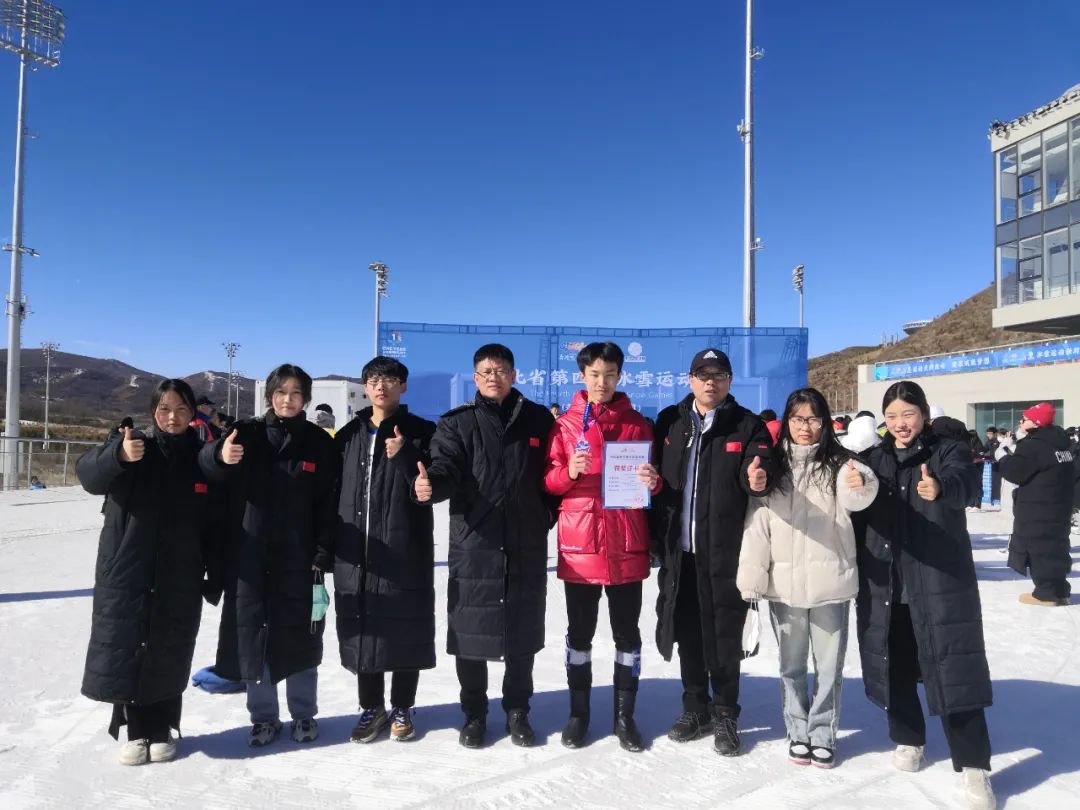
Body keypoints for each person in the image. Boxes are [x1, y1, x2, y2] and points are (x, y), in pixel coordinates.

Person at [853, 380, 995, 810]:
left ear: (924, 416)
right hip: (887, 585)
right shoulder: (874, 459)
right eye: (892, 416)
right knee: (893, 663)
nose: (900, 424)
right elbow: (853, 503)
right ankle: (908, 737)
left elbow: (967, 484)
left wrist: (941, 491)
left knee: (953, 667)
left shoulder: (947, 451)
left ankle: (974, 769)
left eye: (908, 415)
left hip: (938, 582)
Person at [414, 344, 556, 748]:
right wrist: (431, 486)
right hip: (475, 543)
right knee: (471, 635)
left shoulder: (538, 420)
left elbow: (553, 474)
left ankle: (518, 711)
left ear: (513, 374)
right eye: (484, 371)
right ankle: (473, 714)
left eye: (500, 369)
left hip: (524, 544)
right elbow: (444, 468)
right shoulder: (457, 423)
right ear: (475, 378)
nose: (492, 376)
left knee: (522, 634)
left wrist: (545, 518)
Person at [76, 379, 224, 765]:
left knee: (170, 645)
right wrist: (118, 455)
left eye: (180, 409)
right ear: (153, 412)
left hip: (181, 570)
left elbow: (216, 520)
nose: (172, 417)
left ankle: (162, 729)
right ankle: (135, 730)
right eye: (164, 409)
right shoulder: (132, 444)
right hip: (129, 568)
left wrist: (215, 571)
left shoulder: (201, 455)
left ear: (192, 414)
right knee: (130, 645)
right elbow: (88, 476)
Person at [737, 388, 878, 769]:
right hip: (784, 587)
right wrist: (751, 580)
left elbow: (859, 495)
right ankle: (797, 730)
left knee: (829, 668)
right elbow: (757, 526)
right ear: (787, 421)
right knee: (791, 666)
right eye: (798, 419)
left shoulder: (841, 463)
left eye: (813, 419)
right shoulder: (771, 466)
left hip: (831, 584)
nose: (805, 427)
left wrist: (859, 485)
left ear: (825, 422)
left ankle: (822, 732)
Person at [200, 364, 339, 748]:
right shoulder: (246, 433)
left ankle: (304, 714)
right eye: (281, 392)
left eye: (296, 393)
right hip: (250, 555)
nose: (288, 399)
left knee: (303, 637)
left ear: (306, 399)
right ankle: (263, 718)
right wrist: (218, 454)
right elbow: (208, 466)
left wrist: (323, 551)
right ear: (270, 396)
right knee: (254, 635)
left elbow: (330, 504)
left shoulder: (319, 443)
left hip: (301, 558)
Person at [651, 348, 775, 757]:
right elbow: (658, 480)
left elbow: (758, 470)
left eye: (719, 375)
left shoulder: (746, 425)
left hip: (724, 553)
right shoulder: (671, 422)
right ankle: (695, 709)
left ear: (729, 380)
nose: (710, 382)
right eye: (703, 375)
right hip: (680, 553)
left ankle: (725, 713)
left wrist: (758, 478)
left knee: (722, 636)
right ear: (689, 380)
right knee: (687, 634)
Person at [543, 342, 661, 752]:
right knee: (580, 634)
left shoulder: (637, 423)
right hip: (582, 541)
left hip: (626, 537)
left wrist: (653, 481)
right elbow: (549, 482)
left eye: (610, 374)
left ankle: (624, 716)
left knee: (627, 634)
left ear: (620, 376)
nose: (602, 382)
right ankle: (579, 714)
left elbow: (654, 478)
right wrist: (567, 473)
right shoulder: (564, 425)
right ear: (582, 376)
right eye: (594, 374)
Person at [334, 357, 437, 743]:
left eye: (390, 380)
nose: (381, 387)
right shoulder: (348, 435)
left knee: (404, 626)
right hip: (356, 547)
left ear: (403, 386)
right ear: (365, 386)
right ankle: (370, 707)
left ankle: (403, 706)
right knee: (364, 627)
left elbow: (433, 482)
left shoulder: (424, 432)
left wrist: (408, 454)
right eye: (374, 380)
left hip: (403, 545)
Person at [996, 402, 1075, 607]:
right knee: (1056, 546)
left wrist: (1003, 456)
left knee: (1038, 547)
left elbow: (1015, 472)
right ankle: (1060, 591)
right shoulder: (1063, 444)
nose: (1021, 422)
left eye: (1025, 419)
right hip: (1059, 505)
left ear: (1036, 423)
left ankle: (1045, 594)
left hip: (1037, 507)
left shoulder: (1034, 446)